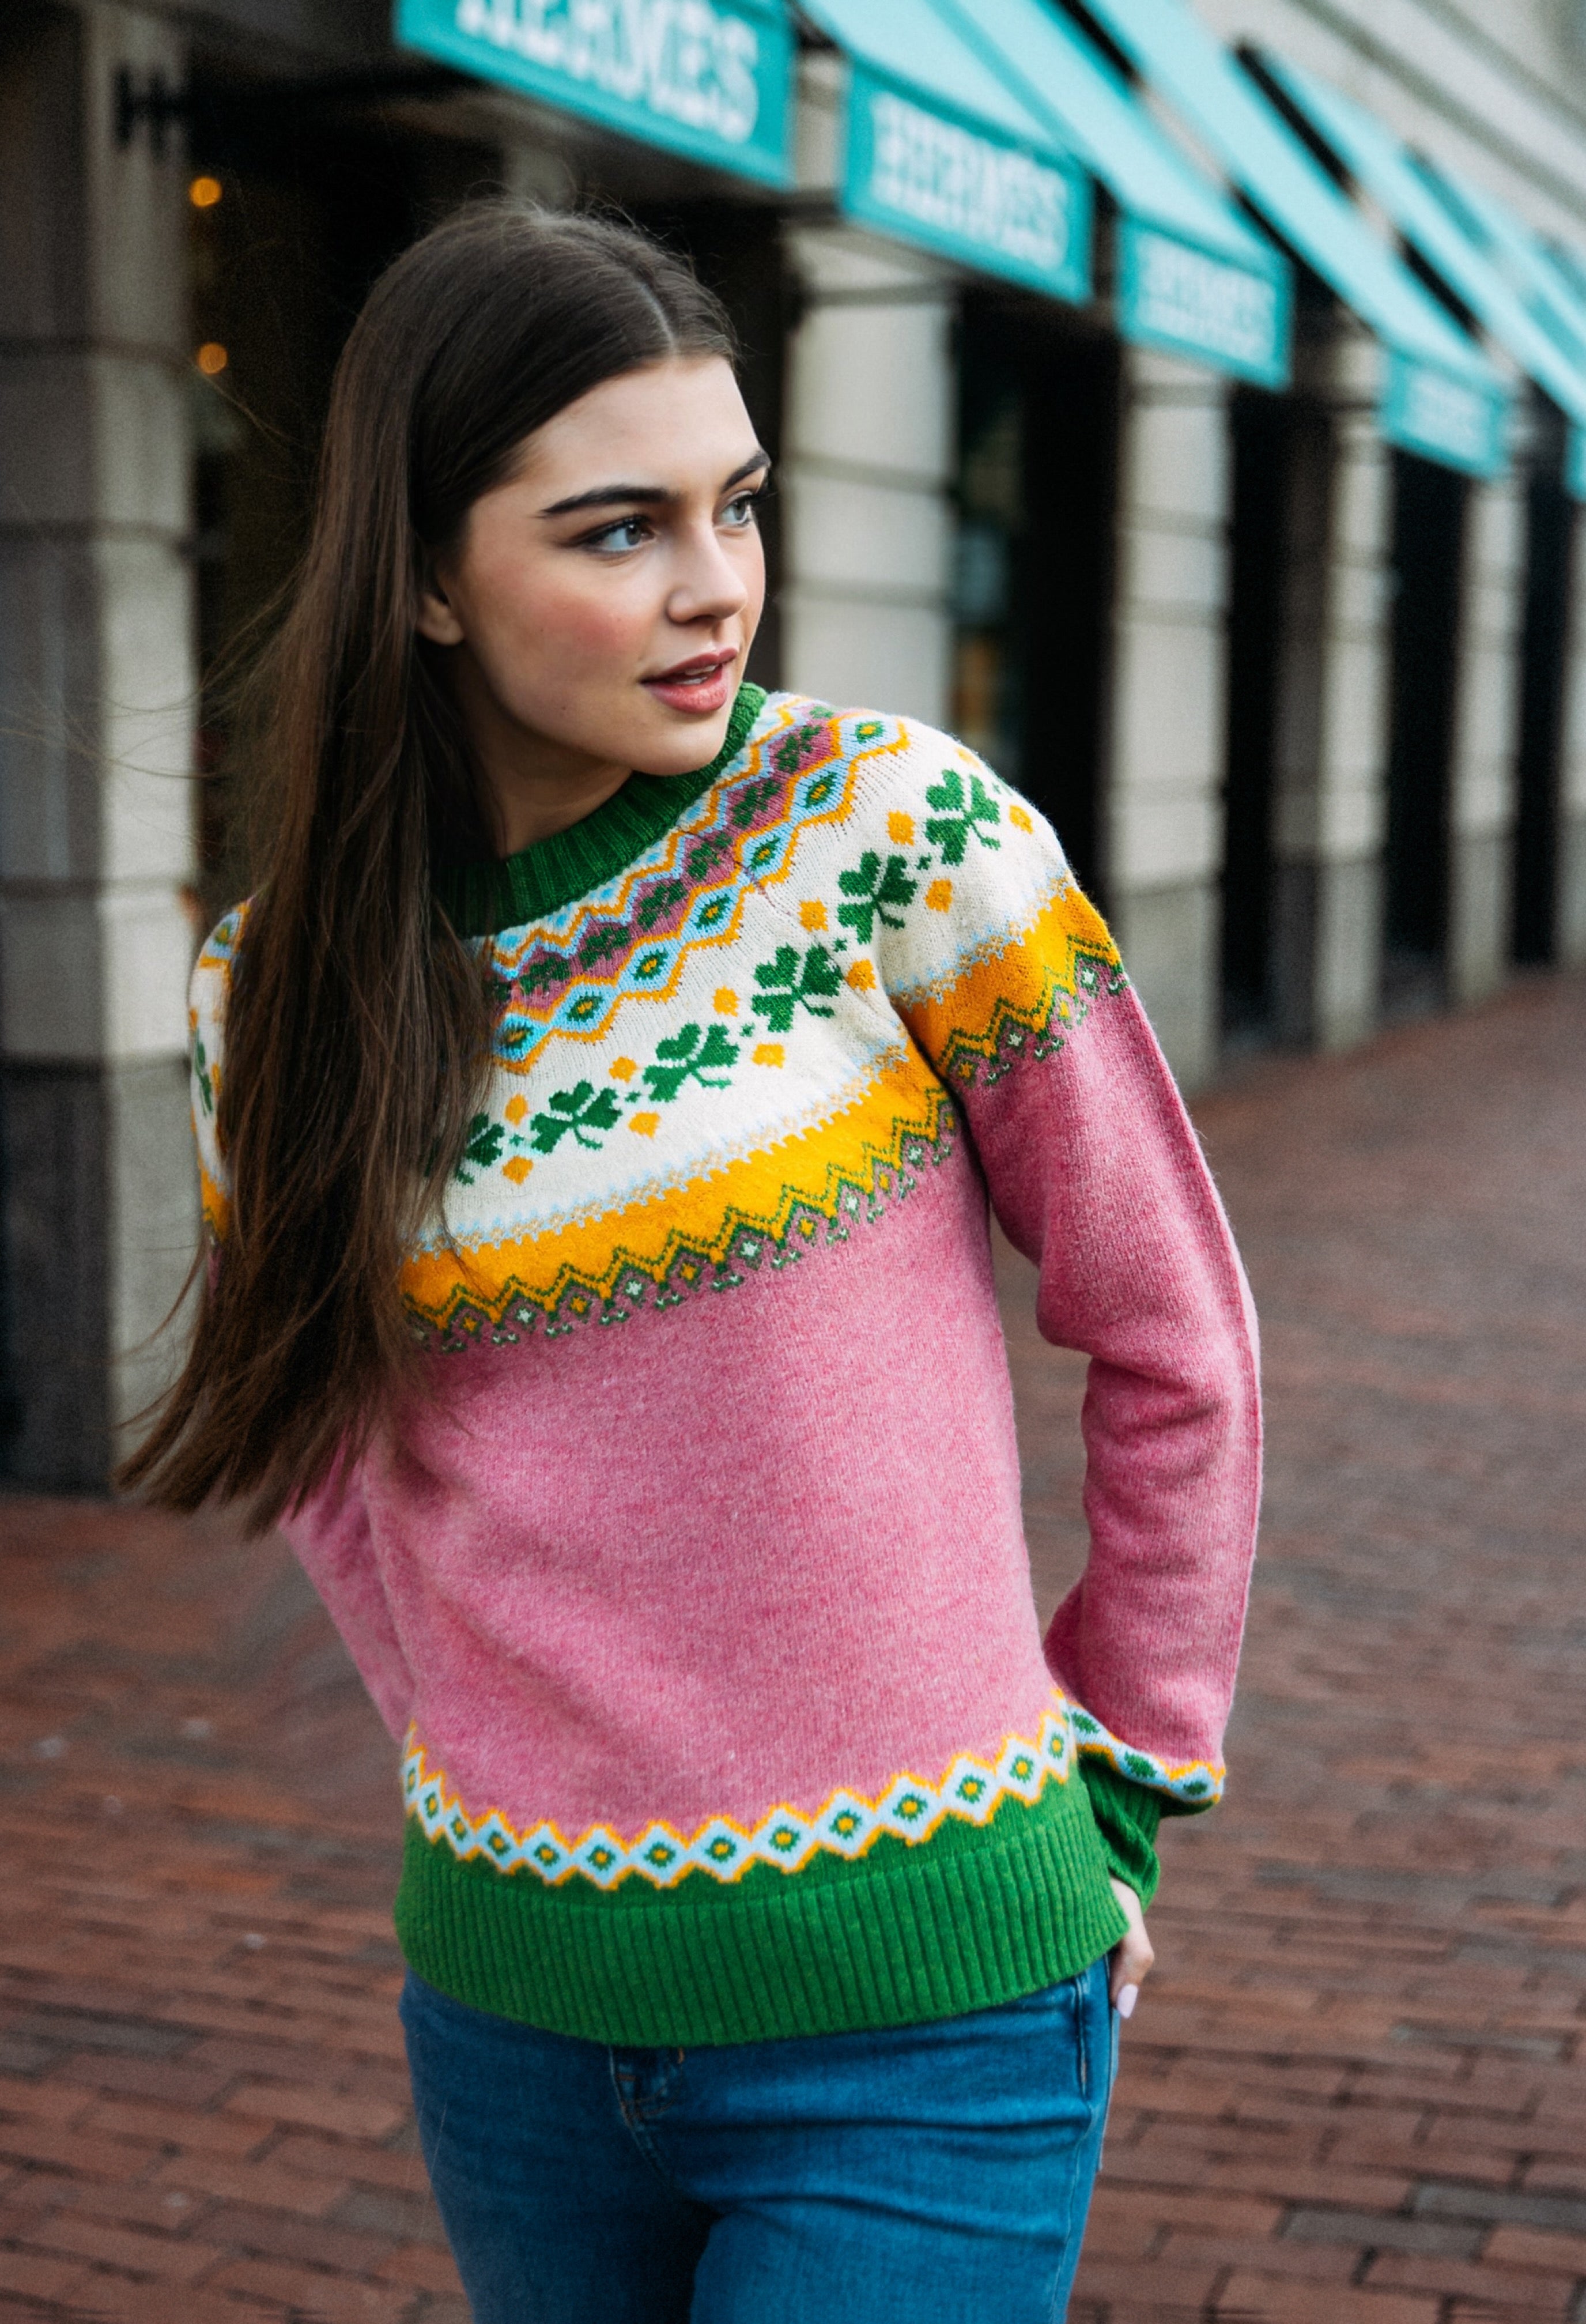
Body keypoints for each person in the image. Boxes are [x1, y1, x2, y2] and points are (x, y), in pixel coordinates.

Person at [124, 203, 1262, 2322]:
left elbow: (1167, 1322)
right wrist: (484, 1762)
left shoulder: (887, 836)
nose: (715, 585)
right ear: (427, 577)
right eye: (618, 528)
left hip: (927, 2021)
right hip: (512, 2020)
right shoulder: (268, 992)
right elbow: (334, 1465)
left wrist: (1123, 1763)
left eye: (737, 504)